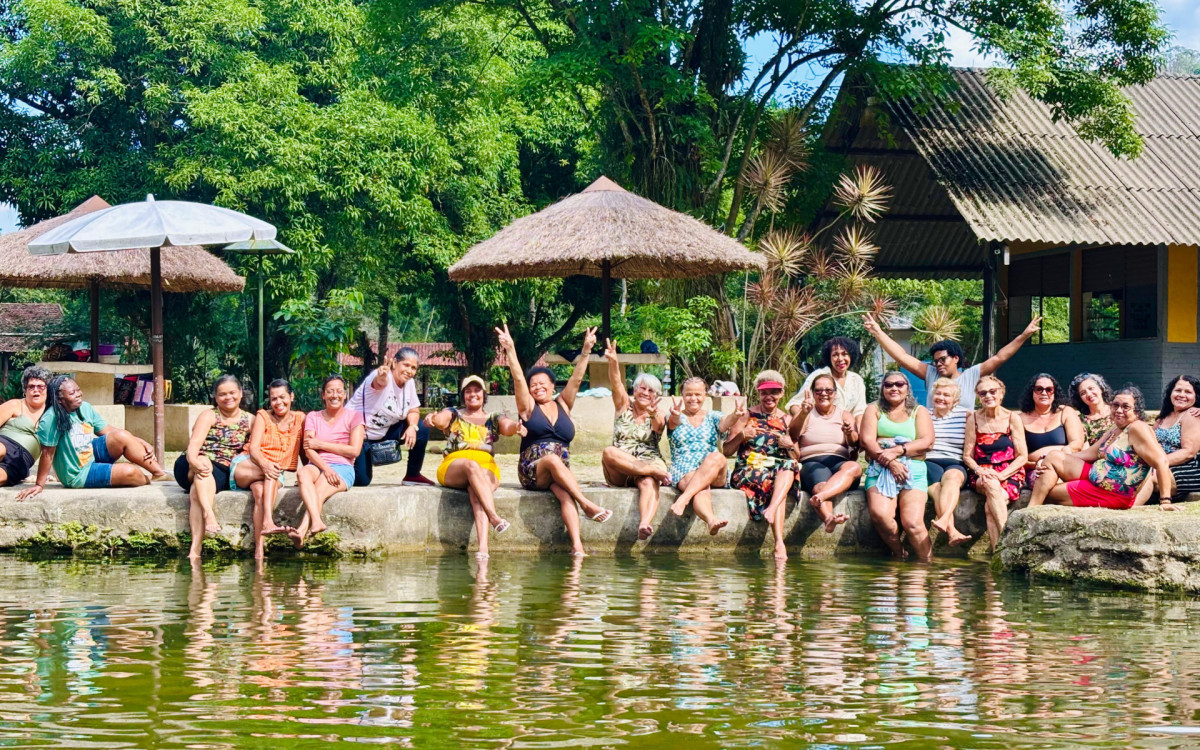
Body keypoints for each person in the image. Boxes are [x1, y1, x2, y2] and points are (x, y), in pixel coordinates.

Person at [496, 323, 612, 557]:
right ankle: (587, 505)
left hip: (559, 471)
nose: (537, 387)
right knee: (550, 459)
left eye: (542, 384)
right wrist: (510, 350)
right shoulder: (528, 408)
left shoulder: (563, 404)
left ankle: (577, 547)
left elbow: (577, 380)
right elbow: (518, 379)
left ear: (552, 387)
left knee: (564, 494)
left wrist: (587, 350)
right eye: (533, 385)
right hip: (532, 470)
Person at [18, 376, 168, 499]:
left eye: (78, 390)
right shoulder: (51, 419)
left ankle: (159, 474)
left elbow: (109, 431)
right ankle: (148, 478)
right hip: (77, 473)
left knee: (121, 435)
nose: (78, 394)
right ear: (60, 400)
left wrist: (138, 441)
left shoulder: (85, 407)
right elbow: (47, 454)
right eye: (72, 393)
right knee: (131, 472)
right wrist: (39, 484)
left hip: (90, 453)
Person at [1028, 385, 1173, 510]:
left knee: (1047, 492)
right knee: (1054, 456)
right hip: (1094, 475)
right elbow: (1092, 452)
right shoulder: (1116, 428)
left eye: (1125, 407)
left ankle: (1030, 511)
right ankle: (1030, 510)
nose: (1119, 410)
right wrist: (1046, 459)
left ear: (1136, 411)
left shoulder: (1138, 428)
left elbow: (1162, 461)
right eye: (1115, 405)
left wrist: (1165, 500)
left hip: (1112, 494)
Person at [424, 375, 521, 559]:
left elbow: (507, 426)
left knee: (475, 489)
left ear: (484, 394)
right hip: (455, 465)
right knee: (471, 466)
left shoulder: (493, 417)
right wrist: (433, 419)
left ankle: (483, 549)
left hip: (487, 467)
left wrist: (516, 426)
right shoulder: (454, 413)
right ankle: (494, 517)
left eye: (477, 390)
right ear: (463, 395)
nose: (472, 394)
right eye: (468, 391)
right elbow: (441, 420)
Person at [863, 314, 1042, 409]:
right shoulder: (931, 374)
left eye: (943, 359)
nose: (938, 364)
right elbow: (902, 356)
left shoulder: (971, 375)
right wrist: (877, 332)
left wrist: (1024, 335)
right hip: (934, 440)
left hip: (963, 441)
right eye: (935, 361)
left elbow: (1000, 357)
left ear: (956, 358)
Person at [173, 375, 259, 560]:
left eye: (232, 393)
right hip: (190, 464)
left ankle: (194, 550)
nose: (228, 397)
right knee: (204, 467)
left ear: (241, 393)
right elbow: (193, 449)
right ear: (216, 397)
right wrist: (196, 464)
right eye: (222, 394)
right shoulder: (209, 415)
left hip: (222, 470)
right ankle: (209, 514)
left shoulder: (251, 420)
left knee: (198, 488)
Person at [860, 372, 934, 561]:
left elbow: (927, 441)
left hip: (913, 470)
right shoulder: (874, 409)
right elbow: (867, 441)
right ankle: (899, 553)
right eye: (888, 384)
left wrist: (897, 450)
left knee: (913, 523)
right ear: (882, 388)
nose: (894, 388)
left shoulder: (919, 411)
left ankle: (927, 565)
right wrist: (891, 461)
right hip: (881, 469)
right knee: (881, 516)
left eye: (899, 384)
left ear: (907, 388)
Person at [600, 339, 670, 540]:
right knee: (609, 452)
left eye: (651, 391)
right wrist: (613, 361)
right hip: (620, 468)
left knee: (648, 482)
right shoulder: (623, 406)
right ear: (635, 389)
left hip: (647, 460)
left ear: (656, 395)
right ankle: (652, 471)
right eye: (642, 388)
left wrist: (653, 413)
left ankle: (644, 523)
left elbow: (658, 427)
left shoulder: (658, 413)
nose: (646, 393)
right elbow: (616, 383)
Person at [726, 370, 797, 562]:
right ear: (758, 393)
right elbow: (726, 451)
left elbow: (797, 455)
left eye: (774, 391)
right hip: (749, 467)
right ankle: (779, 543)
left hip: (778, 467)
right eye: (765, 392)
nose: (769, 396)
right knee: (775, 481)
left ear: (782, 393)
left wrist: (789, 446)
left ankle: (771, 510)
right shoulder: (746, 416)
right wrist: (742, 436)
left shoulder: (787, 420)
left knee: (789, 466)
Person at [291, 375, 364, 547]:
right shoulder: (313, 417)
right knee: (303, 473)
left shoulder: (355, 417)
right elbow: (309, 449)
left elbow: (354, 450)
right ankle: (316, 521)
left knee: (320, 488)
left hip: (342, 466)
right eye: (330, 391)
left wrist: (321, 444)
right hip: (317, 463)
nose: (335, 395)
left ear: (345, 394)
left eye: (339, 391)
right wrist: (326, 468)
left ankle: (301, 530)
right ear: (323, 395)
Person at [665, 377, 741, 535]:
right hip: (684, 468)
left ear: (705, 395)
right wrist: (675, 415)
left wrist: (735, 415)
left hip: (713, 469)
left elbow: (725, 423)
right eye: (689, 394)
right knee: (701, 487)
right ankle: (711, 520)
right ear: (682, 395)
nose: (693, 398)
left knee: (717, 457)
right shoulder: (674, 415)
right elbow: (674, 421)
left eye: (698, 394)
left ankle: (684, 499)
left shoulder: (713, 415)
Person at [347, 347, 431, 486]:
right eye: (406, 365)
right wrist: (381, 376)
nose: (409, 371)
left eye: (413, 368)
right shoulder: (380, 377)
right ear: (395, 362)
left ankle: (412, 475)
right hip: (359, 436)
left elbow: (414, 409)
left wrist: (412, 426)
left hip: (384, 433)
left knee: (421, 428)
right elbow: (379, 383)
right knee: (362, 480)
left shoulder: (409, 383)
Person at [788, 372, 860, 533]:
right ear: (813, 394)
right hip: (812, 463)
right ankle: (829, 518)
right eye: (818, 391)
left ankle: (821, 497)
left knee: (854, 467)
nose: (823, 394)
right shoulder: (806, 412)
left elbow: (855, 443)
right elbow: (793, 434)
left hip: (839, 461)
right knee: (819, 484)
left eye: (828, 390)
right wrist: (803, 413)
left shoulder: (844, 414)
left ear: (835, 393)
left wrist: (849, 433)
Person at [962, 375, 1027, 553]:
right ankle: (1010, 539)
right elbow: (967, 456)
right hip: (982, 473)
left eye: (992, 391)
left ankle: (998, 553)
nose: (988, 396)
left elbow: (1022, 456)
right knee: (990, 484)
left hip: (1010, 472)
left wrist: (1002, 475)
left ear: (1001, 393)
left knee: (990, 507)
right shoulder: (973, 419)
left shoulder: (1012, 418)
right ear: (978, 396)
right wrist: (979, 470)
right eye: (983, 393)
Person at [246, 379, 306, 560]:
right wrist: (265, 465)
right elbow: (253, 449)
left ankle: (259, 550)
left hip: (271, 474)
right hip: (250, 467)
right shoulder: (263, 416)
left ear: (291, 396)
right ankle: (267, 521)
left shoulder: (300, 419)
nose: (278, 402)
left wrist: (303, 476)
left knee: (259, 493)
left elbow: (303, 449)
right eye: (274, 399)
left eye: (282, 397)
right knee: (272, 468)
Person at [1135, 376, 1200, 505]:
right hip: (1161, 465)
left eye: (1188, 392)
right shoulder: (1162, 418)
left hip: (1188, 468)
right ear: (1170, 393)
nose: (1182, 395)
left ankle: (1129, 511)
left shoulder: (1192, 415)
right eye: (1178, 390)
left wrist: (1157, 463)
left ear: (1196, 396)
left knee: (1149, 475)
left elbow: (1188, 452)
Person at [926, 377, 971, 546]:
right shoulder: (924, 413)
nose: (941, 398)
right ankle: (952, 531)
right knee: (937, 487)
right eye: (938, 393)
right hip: (929, 460)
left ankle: (944, 519)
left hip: (955, 460)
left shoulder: (966, 415)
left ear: (955, 400)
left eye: (947, 395)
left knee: (952, 478)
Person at [1018, 373, 1084, 488]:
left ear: (1054, 393)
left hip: (1065, 465)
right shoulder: (1019, 419)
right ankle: (1035, 504)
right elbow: (1017, 455)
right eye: (1039, 389)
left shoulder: (1066, 412)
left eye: (1049, 389)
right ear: (1032, 392)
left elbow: (1077, 444)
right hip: (1037, 469)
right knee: (1046, 475)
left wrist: (1053, 456)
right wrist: (1035, 464)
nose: (1044, 393)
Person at [785, 336, 867, 422]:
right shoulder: (818, 376)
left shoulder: (857, 380)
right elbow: (794, 404)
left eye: (844, 354)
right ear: (829, 358)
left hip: (847, 430)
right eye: (835, 355)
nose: (840, 359)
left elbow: (859, 412)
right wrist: (806, 422)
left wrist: (857, 433)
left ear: (851, 356)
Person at [0, 366, 51, 486]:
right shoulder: (15, 405)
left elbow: (53, 451)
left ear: (48, 389)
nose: (36, 390)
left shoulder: (52, 415)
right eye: (31, 386)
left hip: (21, 462)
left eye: (40, 386)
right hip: (5, 444)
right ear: (25, 390)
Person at [1069, 372, 1114, 445]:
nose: (1089, 394)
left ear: (1101, 388)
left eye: (1091, 388)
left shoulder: (1117, 410)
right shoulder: (1081, 421)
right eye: (1083, 393)